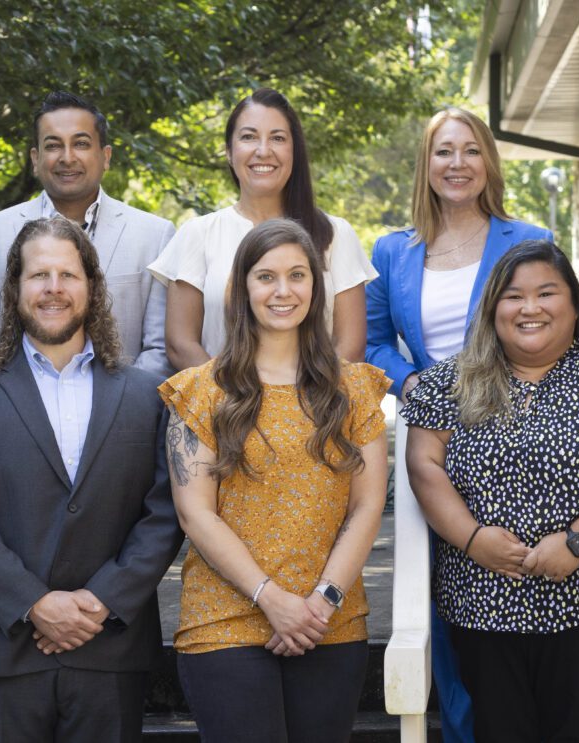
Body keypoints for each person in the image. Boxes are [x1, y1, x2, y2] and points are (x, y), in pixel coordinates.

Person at [0, 216, 183, 743]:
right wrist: (35, 603)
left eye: (68, 275)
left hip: (107, 645)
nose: (53, 289)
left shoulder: (145, 396)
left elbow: (163, 513)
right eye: (38, 275)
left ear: (91, 286)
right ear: (14, 289)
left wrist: (101, 601)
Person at [404, 240, 579, 743]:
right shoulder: (449, 382)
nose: (530, 308)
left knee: (576, 729)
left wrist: (576, 541)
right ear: (492, 308)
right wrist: (472, 537)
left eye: (546, 293)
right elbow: (424, 466)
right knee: (500, 730)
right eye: (513, 296)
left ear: (573, 304)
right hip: (482, 596)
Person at [160, 219, 389, 743]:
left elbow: (368, 505)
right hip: (225, 621)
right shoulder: (201, 391)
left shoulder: (354, 388)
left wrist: (320, 602)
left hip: (328, 621)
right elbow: (195, 512)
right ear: (241, 289)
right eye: (265, 277)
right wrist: (272, 599)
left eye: (297, 275)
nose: (283, 291)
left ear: (316, 286)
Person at [364, 105, 551, 742]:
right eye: (445, 151)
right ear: (427, 163)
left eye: (471, 150)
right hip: (435, 443)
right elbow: (368, 342)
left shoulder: (527, 240)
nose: (457, 164)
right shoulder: (393, 250)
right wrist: (414, 380)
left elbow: (550, 325)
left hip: (514, 438)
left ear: (488, 162)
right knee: (442, 601)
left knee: (510, 582)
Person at [149, 88, 376, 369]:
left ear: (295, 150)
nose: (263, 150)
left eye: (278, 138)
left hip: (316, 408)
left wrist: (298, 406)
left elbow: (349, 347)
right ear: (229, 152)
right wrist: (232, 401)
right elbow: (181, 344)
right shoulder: (198, 233)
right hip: (219, 407)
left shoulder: (336, 235)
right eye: (249, 137)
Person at [0, 90, 174, 378]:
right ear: (36, 158)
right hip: (15, 414)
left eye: (81, 144)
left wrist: (123, 404)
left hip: (124, 415)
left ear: (105, 156)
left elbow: (159, 349)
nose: (67, 158)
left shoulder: (154, 235)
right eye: (54, 145)